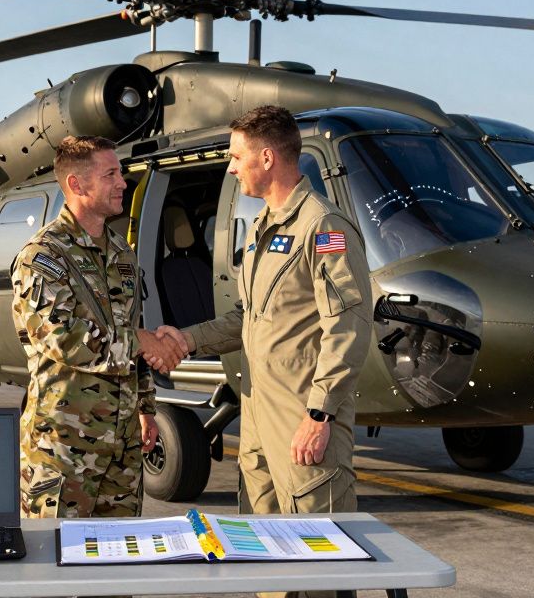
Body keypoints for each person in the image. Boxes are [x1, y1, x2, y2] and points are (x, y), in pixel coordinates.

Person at [154, 106, 372, 596]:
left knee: (321, 563)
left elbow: (348, 328)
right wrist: (187, 340)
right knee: (262, 554)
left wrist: (319, 414)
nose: (230, 167)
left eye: (236, 156)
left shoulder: (324, 228)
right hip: (257, 418)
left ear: (268, 157)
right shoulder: (263, 228)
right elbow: (249, 320)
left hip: (303, 420)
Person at [12, 135, 184, 519]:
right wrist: (140, 341)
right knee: (54, 563)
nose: (123, 182)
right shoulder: (42, 256)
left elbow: (131, 332)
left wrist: (145, 409)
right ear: (76, 184)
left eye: (120, 172)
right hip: (62, 451)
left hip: (122, 448)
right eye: (110, 174)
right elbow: (63, 338)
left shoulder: (121, 254)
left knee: (117, 559)